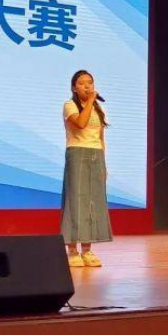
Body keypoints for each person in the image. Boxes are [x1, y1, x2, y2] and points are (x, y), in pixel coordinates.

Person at [61, 70, 112, 267]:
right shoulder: (70, 105)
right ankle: (72, 250)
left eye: (90, 82)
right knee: (76, 202)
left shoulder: (98, 109)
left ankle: (87, 250)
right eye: (82, 83)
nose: (87, 86)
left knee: (93, 203)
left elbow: (100, 138)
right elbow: (81, 124)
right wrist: (90, 101)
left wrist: (104, 164)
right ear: (74, 87)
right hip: (77, 153)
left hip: (95, 155)